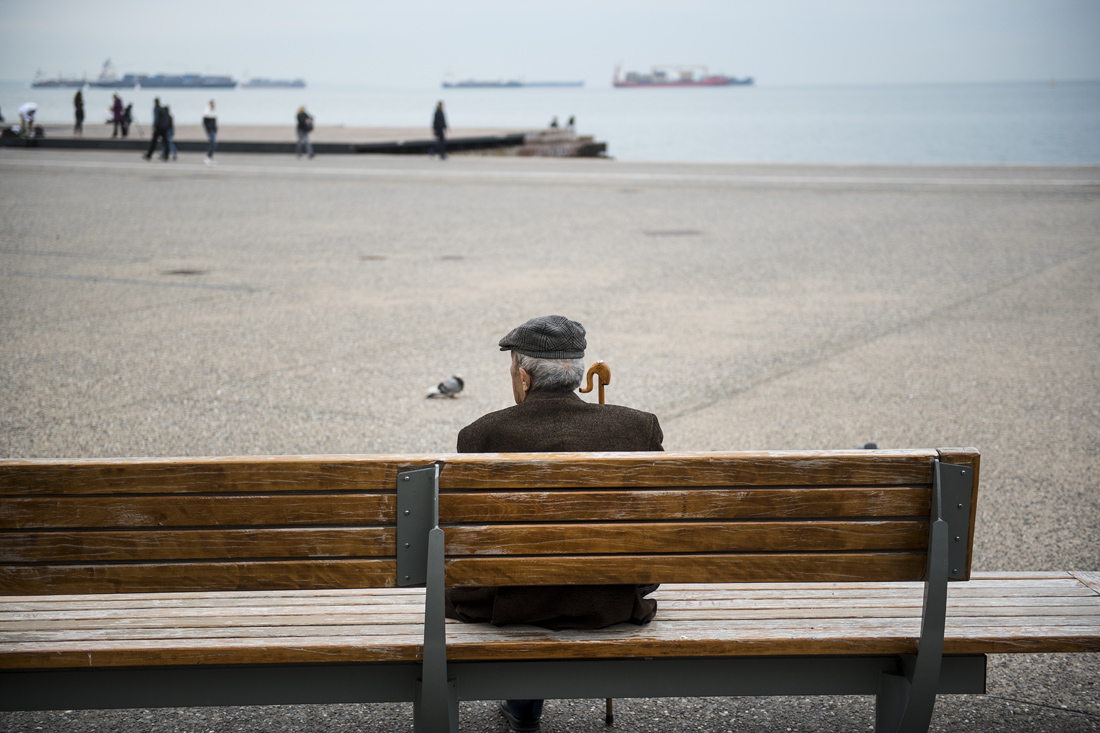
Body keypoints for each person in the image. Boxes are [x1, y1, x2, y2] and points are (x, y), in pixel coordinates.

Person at [447, 315, 663, 732]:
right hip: (609, 598)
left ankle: (524, 703)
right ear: (577, 375)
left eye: (512, 369)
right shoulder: (638, 426)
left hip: (510, 601)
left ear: (524, 378)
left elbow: (467, 536)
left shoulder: (481, 435)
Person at [203, 99, 218, 166]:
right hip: (210, 131)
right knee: (212, 143)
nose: (213, 105)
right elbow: (205, 122)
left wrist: (215, 130)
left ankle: (210, 157)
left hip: (213, 130)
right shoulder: (207, 111)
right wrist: (209, 130)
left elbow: (214, 123)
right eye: (212, 104)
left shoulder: (213, 111)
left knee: (214, 144)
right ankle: (208, 157)